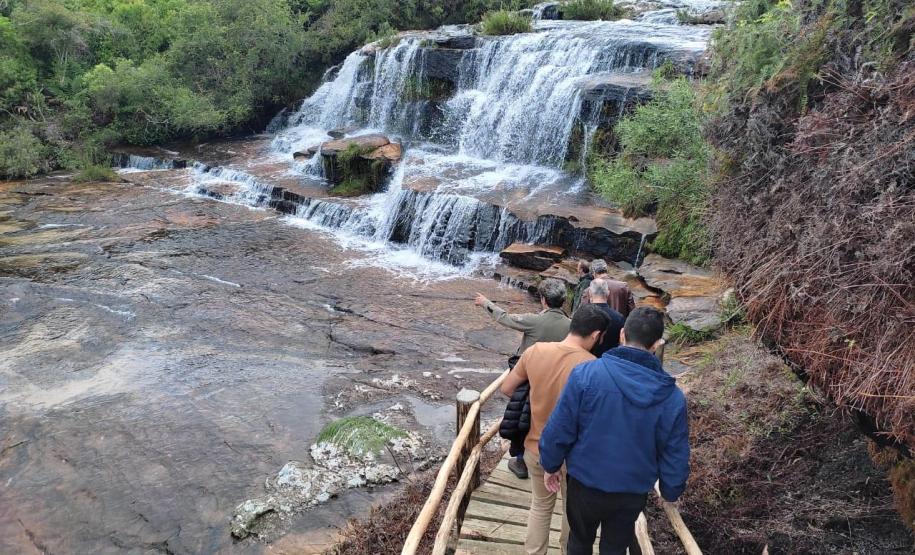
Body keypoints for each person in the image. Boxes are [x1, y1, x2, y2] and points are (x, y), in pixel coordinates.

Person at [539, 307, 690, 555]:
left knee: (579, 541)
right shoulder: (672, 398)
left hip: (584, 482)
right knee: (615, 547)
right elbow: (675, 452)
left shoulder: (586, 374)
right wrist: (671, 490)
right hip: (631, 491)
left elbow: (560, 427)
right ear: (656, 344)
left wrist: (550, 464)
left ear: (621, 334)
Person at [499, 305, 610, 555]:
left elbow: (507, 388)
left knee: (540, 506)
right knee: (572, 510)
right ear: (595, 335)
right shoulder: (594, 366)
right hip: (574, 456)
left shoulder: (536, 351)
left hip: (535, 447)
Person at [476, 278, 570, 479]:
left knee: (522, 419)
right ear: (563, 301)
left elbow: (505, 318)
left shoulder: (534, 321)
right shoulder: (571, 325)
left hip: (529, 379)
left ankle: (521, 462)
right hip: (557, 380)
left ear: (543, 300)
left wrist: (485, 303)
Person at [585, 279, 625, 358]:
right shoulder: (619, 318)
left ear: (590, 293)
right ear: (608, 293)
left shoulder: (582, 315)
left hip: (585, 361)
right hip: (610, 360)